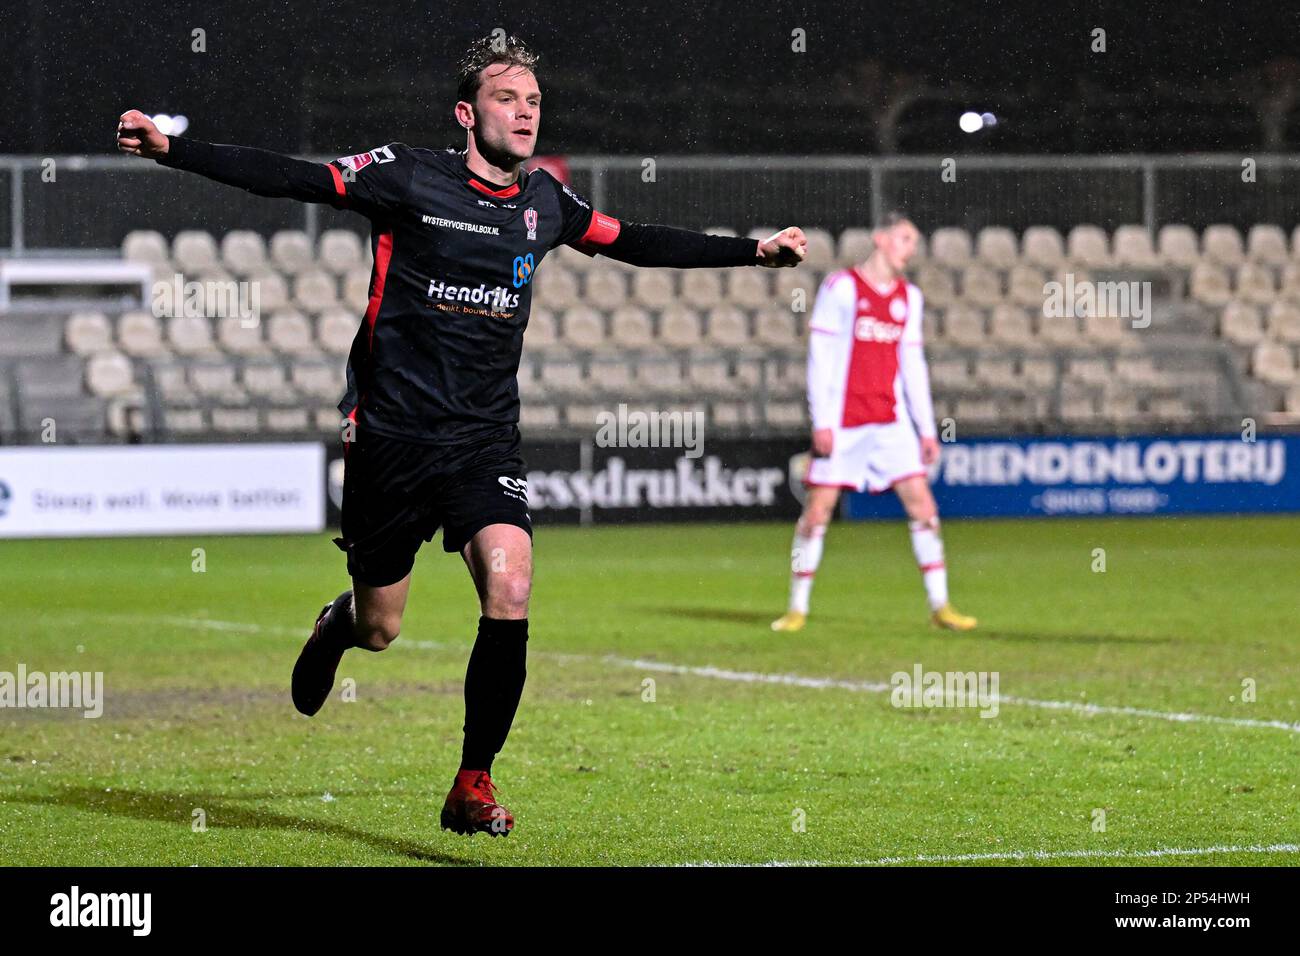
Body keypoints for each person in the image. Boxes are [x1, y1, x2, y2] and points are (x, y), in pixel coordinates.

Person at [118, 34, 807, 837]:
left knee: (511, 582)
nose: (525, 112)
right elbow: (293, 177)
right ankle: (336, 625)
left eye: (535, 101)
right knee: (383, 628)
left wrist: (751, 254)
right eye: (508, 98)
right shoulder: (406, 174)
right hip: (391, 437)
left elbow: (638, 243)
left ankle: (471, 782)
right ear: (466, 112)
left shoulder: (545, 201)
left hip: (483, 440)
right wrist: (175, 150)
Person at [771, 213, 976, 634]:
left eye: (913, 241)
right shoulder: (842, 287)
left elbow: (912, 364)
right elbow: (821, 356)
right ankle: (796, 608)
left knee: (923, 506)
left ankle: (941, 605)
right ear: (881, 239)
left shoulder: (909, 297)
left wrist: (925, 428)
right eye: (904, 238)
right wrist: (822, 421)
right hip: (844, 421)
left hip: (890, 421)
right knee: (817, 512)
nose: (910, 248)